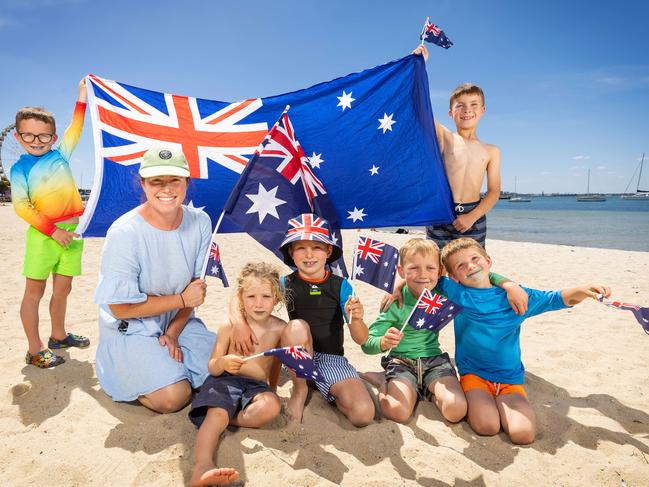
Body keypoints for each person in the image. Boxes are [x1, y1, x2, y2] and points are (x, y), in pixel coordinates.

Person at [438, 237, 611, 444]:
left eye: (475, 258)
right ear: (454, 276)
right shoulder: (457, 293)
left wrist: (583, 290)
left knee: (523, 434)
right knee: (487, 426)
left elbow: (555, 299)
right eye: (461, 265)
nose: (471, 266)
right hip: (474, 375)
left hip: (509, 378)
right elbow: (425, 276)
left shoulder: (518, 297)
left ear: (488, 260)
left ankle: (503, 402)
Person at [94, 146, 216, 413]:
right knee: (174, 397)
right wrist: (181, 299)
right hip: (132, 326)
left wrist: (172, 332)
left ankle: (166, 365)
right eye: (156, 181)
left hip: (179, 320)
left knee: (223, 369)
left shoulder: (201, 222)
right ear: (143, 184)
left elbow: (193, 292)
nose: (167, 189)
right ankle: (135, 369)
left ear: (187, 182)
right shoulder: (124, 233)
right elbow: (119, 308)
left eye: (175, 180)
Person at [229, 214, 375, 426]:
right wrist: (239, 323)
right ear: (291, 252)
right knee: (297, 326)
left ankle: (330, 384)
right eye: (300, 248)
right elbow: (240, 294)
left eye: (316, 247)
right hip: (296, 354)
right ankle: (300, 390)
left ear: (328, 251)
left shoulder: (342, 286)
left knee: (363, 414)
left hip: (331, 359)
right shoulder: (285, 283)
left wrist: (358, 319)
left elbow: (361, 339)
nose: (309, 255)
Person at [10, 79, 90, 368]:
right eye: (28, 136)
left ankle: (59, 335)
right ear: (19, 137)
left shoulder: (61, 155)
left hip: (72, 234)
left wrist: (82, 95)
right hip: (44, 236)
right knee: (35, 292)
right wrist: (52, 230)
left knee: (63, 289)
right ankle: (35, 348)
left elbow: (76, 127)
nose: (36, 141)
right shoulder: (19, 169)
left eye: (44, 136)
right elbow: (22, 207)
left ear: (53, 138)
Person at [189, 262, 287, 486]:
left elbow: (275, 365)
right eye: (251, 296)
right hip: (225, 381)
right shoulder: (228, 326)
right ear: (241, 298)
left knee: (271, 407)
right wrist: (223, 362)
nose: (259, 303)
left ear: (277, 298)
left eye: (266, 296)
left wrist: (273, 390)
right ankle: (202, 466)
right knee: (217, 415)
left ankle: (225, 416)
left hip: (256, 387)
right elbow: (212, 366)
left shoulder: (279, 328)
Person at [361, 238, 467, 424]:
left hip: (435, 361)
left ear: (440, 271)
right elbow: (367, 344)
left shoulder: (443, 294)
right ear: (401, 271)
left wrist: (509, 285)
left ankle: (427, 392)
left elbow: (478, 279)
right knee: (397, 413)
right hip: (402, 363)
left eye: (430, 268)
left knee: (456, 410)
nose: (423, 274)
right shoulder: (396, 302)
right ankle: (384, 380)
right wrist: (383, 342)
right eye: (414, 268)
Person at [414, 44, 501, 249]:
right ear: (450, 113)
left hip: (474, 215)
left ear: (483, 110)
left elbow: (494, 192)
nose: (466, 110)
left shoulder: (491, 151)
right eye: (459, 105)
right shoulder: (446, 138)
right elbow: (419, 108)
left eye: (473, 104)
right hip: (441, 212)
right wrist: (418, 66)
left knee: (472, 271)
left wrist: (472, 216)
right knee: (437, 267)